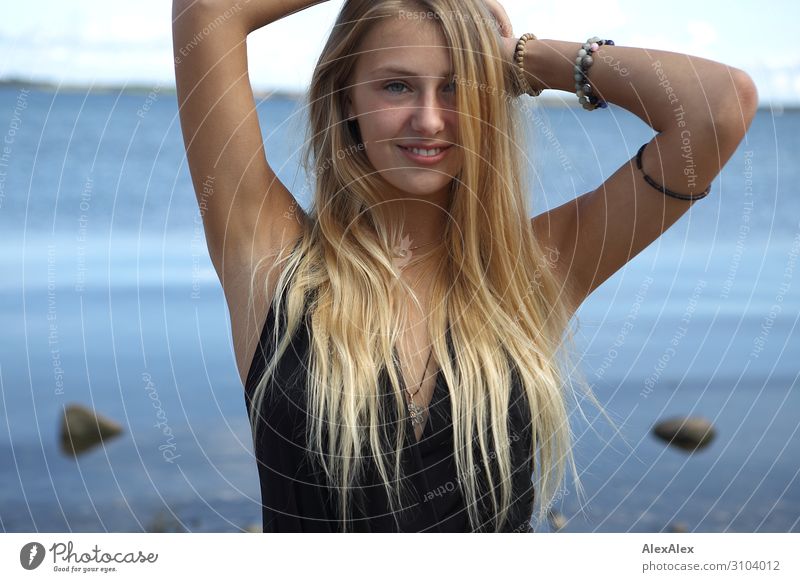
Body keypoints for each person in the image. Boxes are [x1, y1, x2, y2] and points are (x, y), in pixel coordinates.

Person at [171, 0, 757, 532]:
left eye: (454, 88)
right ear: (347, 96)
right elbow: (207, 12)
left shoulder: (530, 274)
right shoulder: (274, 261)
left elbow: (718, 108)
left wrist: (518, 60)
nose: (428, 120)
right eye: (397, 86)